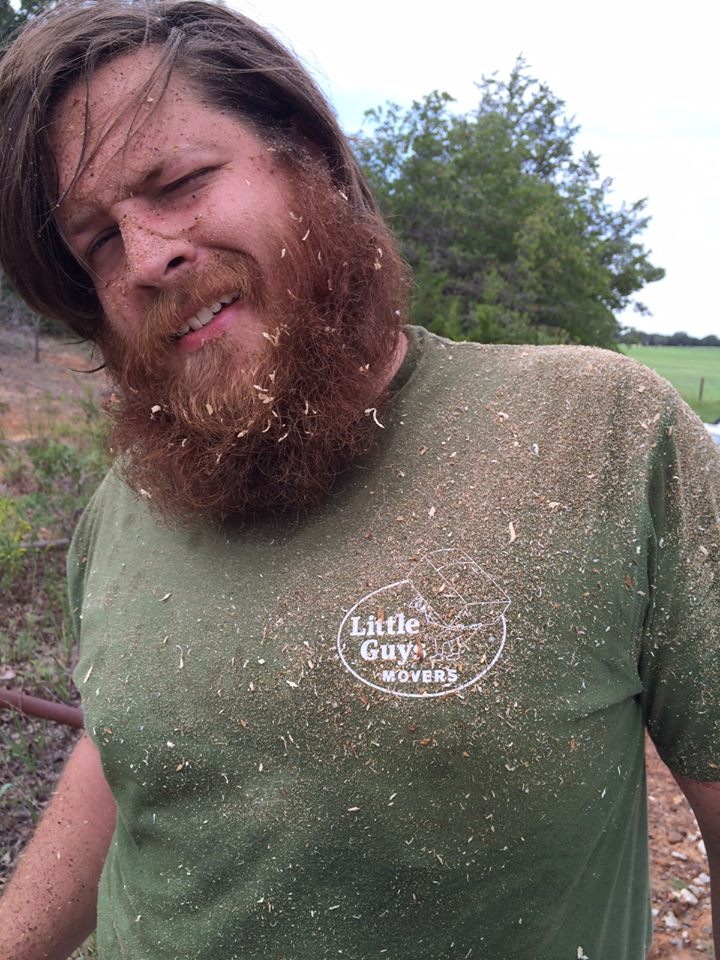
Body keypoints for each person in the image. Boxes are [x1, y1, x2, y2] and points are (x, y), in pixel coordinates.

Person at [0, 2, 718, 958]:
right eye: (96, 240)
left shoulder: (600, 439)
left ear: (310, 158)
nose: (144, 257)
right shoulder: (125, 505)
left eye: (175, 182)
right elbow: (138, 738)